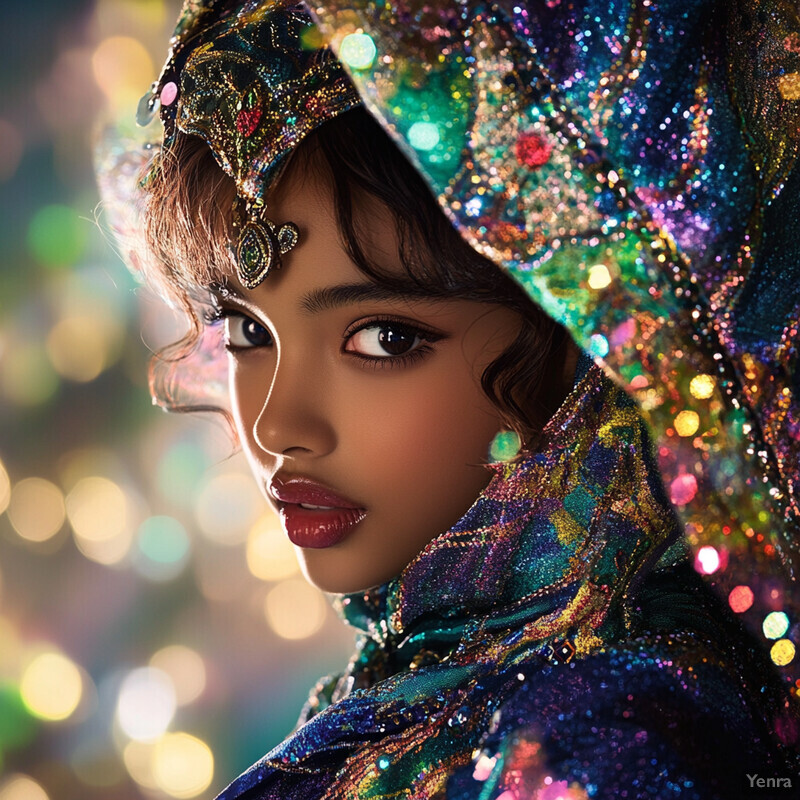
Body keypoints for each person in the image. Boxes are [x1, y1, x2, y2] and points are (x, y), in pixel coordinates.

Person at [104, 1, 800, 797]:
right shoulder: (432, 673)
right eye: (248, 332)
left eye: (384, 339)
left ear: (582, 338)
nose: (276, 424)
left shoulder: (604, 739)